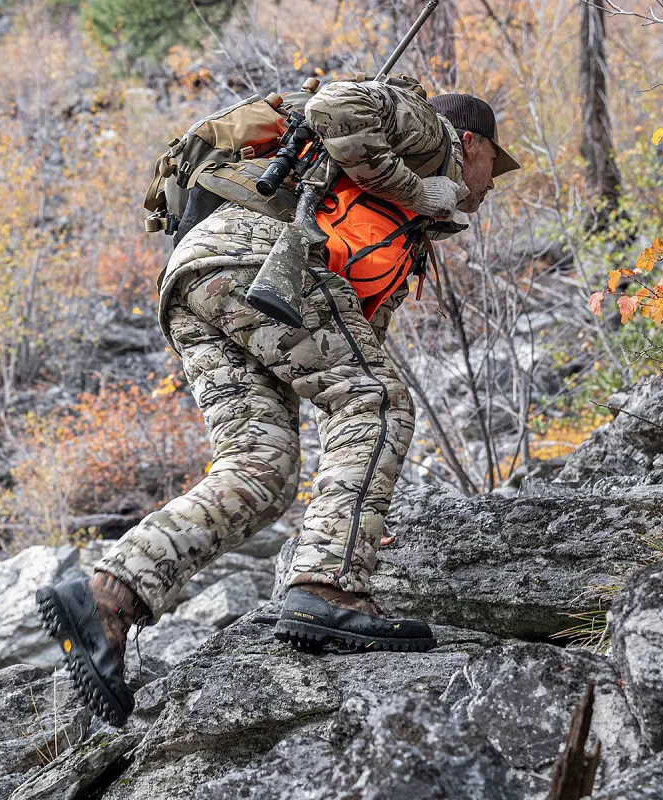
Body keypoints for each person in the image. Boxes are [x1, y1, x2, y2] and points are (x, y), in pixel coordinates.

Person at [37, 81, 521, 727]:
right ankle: (325, 589)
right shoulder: (430, 136)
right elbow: (337, 105)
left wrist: (354, 513)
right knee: (379, 403)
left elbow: (343, 358)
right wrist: (416, 186)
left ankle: (107, 597)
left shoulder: (404, 235)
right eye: (496, 162)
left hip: (201, 279)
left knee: (260, 471)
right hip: (254, 262)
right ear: (473, 143)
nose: (493, 182)